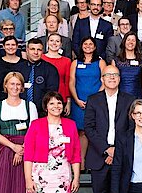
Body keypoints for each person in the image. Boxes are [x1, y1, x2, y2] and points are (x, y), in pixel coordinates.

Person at [85, 65, 136, 193]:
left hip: (122, 158)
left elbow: (132, 129)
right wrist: (107, 150)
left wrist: (117, 152)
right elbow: (89, 128)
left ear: (120, 78)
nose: (112, 78)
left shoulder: (129, 100)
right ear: (102, 79)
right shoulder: (93, 100)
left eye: (115, 75)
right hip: (99, 158)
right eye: (108, 75)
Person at [69, 37, 106, 168]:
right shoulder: (75, 62)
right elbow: (71, 82)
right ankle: (82, 162)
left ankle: (93, 162)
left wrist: (94, 100)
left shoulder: (101, 62)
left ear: (95, 47)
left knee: (95, 130)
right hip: (78, 102)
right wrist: (76, 99)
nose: (88, 46)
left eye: (91, 44)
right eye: (85, 43)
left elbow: (104, 81)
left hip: (96, 102)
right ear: (81, 46)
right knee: (81, 132)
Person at [15, 39, 60, 117]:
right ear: (27, 50)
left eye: (39, 49)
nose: (36, 52)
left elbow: (51, 93)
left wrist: (36, 107)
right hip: (19, 110)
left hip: (42, 112)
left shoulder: (50, 69)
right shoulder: (18, 68)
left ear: (42, 51)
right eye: (32, 49)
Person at [42, 34, 73, 113]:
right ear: (47, 42)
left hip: (61, 98)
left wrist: (68, 102)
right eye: (52, 40)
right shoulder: (41, 58)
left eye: (57, 41)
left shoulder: (67, 61)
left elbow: (67, 82)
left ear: (61, 44)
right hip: (43, 98)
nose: (54, 43)